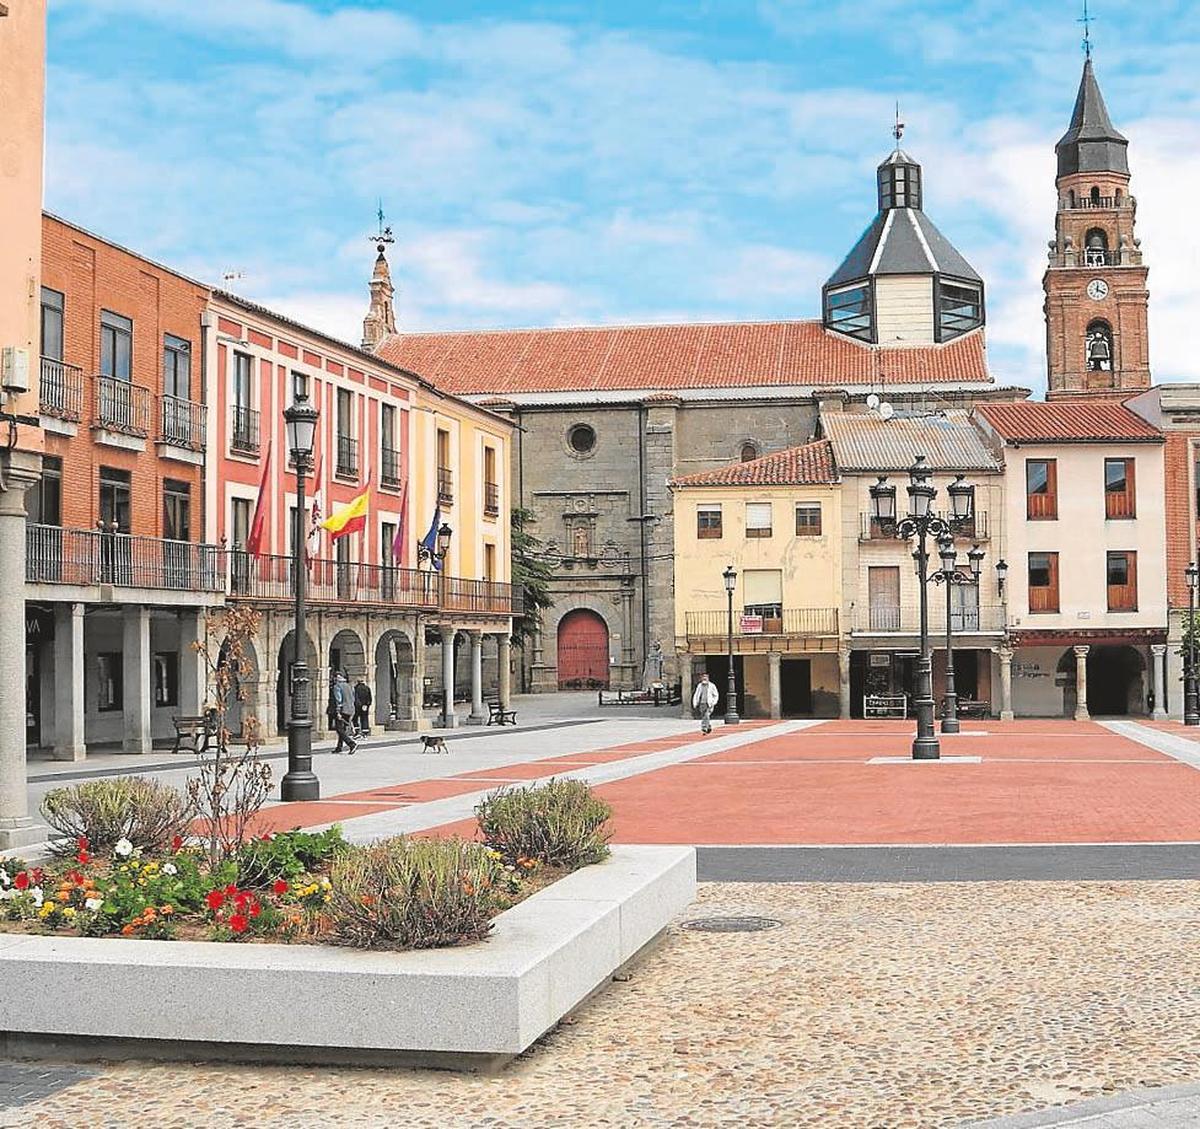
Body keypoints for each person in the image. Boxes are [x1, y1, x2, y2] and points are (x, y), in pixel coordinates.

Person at [331, 671, 357, 755]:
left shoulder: (337, 686)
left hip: (343, 710)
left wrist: (338, 711)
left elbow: (339, 700)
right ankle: (339, 747)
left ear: (336, 678)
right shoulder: (349, 686)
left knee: (339, 729)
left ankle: (351, 744)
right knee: (343, 729)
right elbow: (353, 698)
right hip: (350, 709)